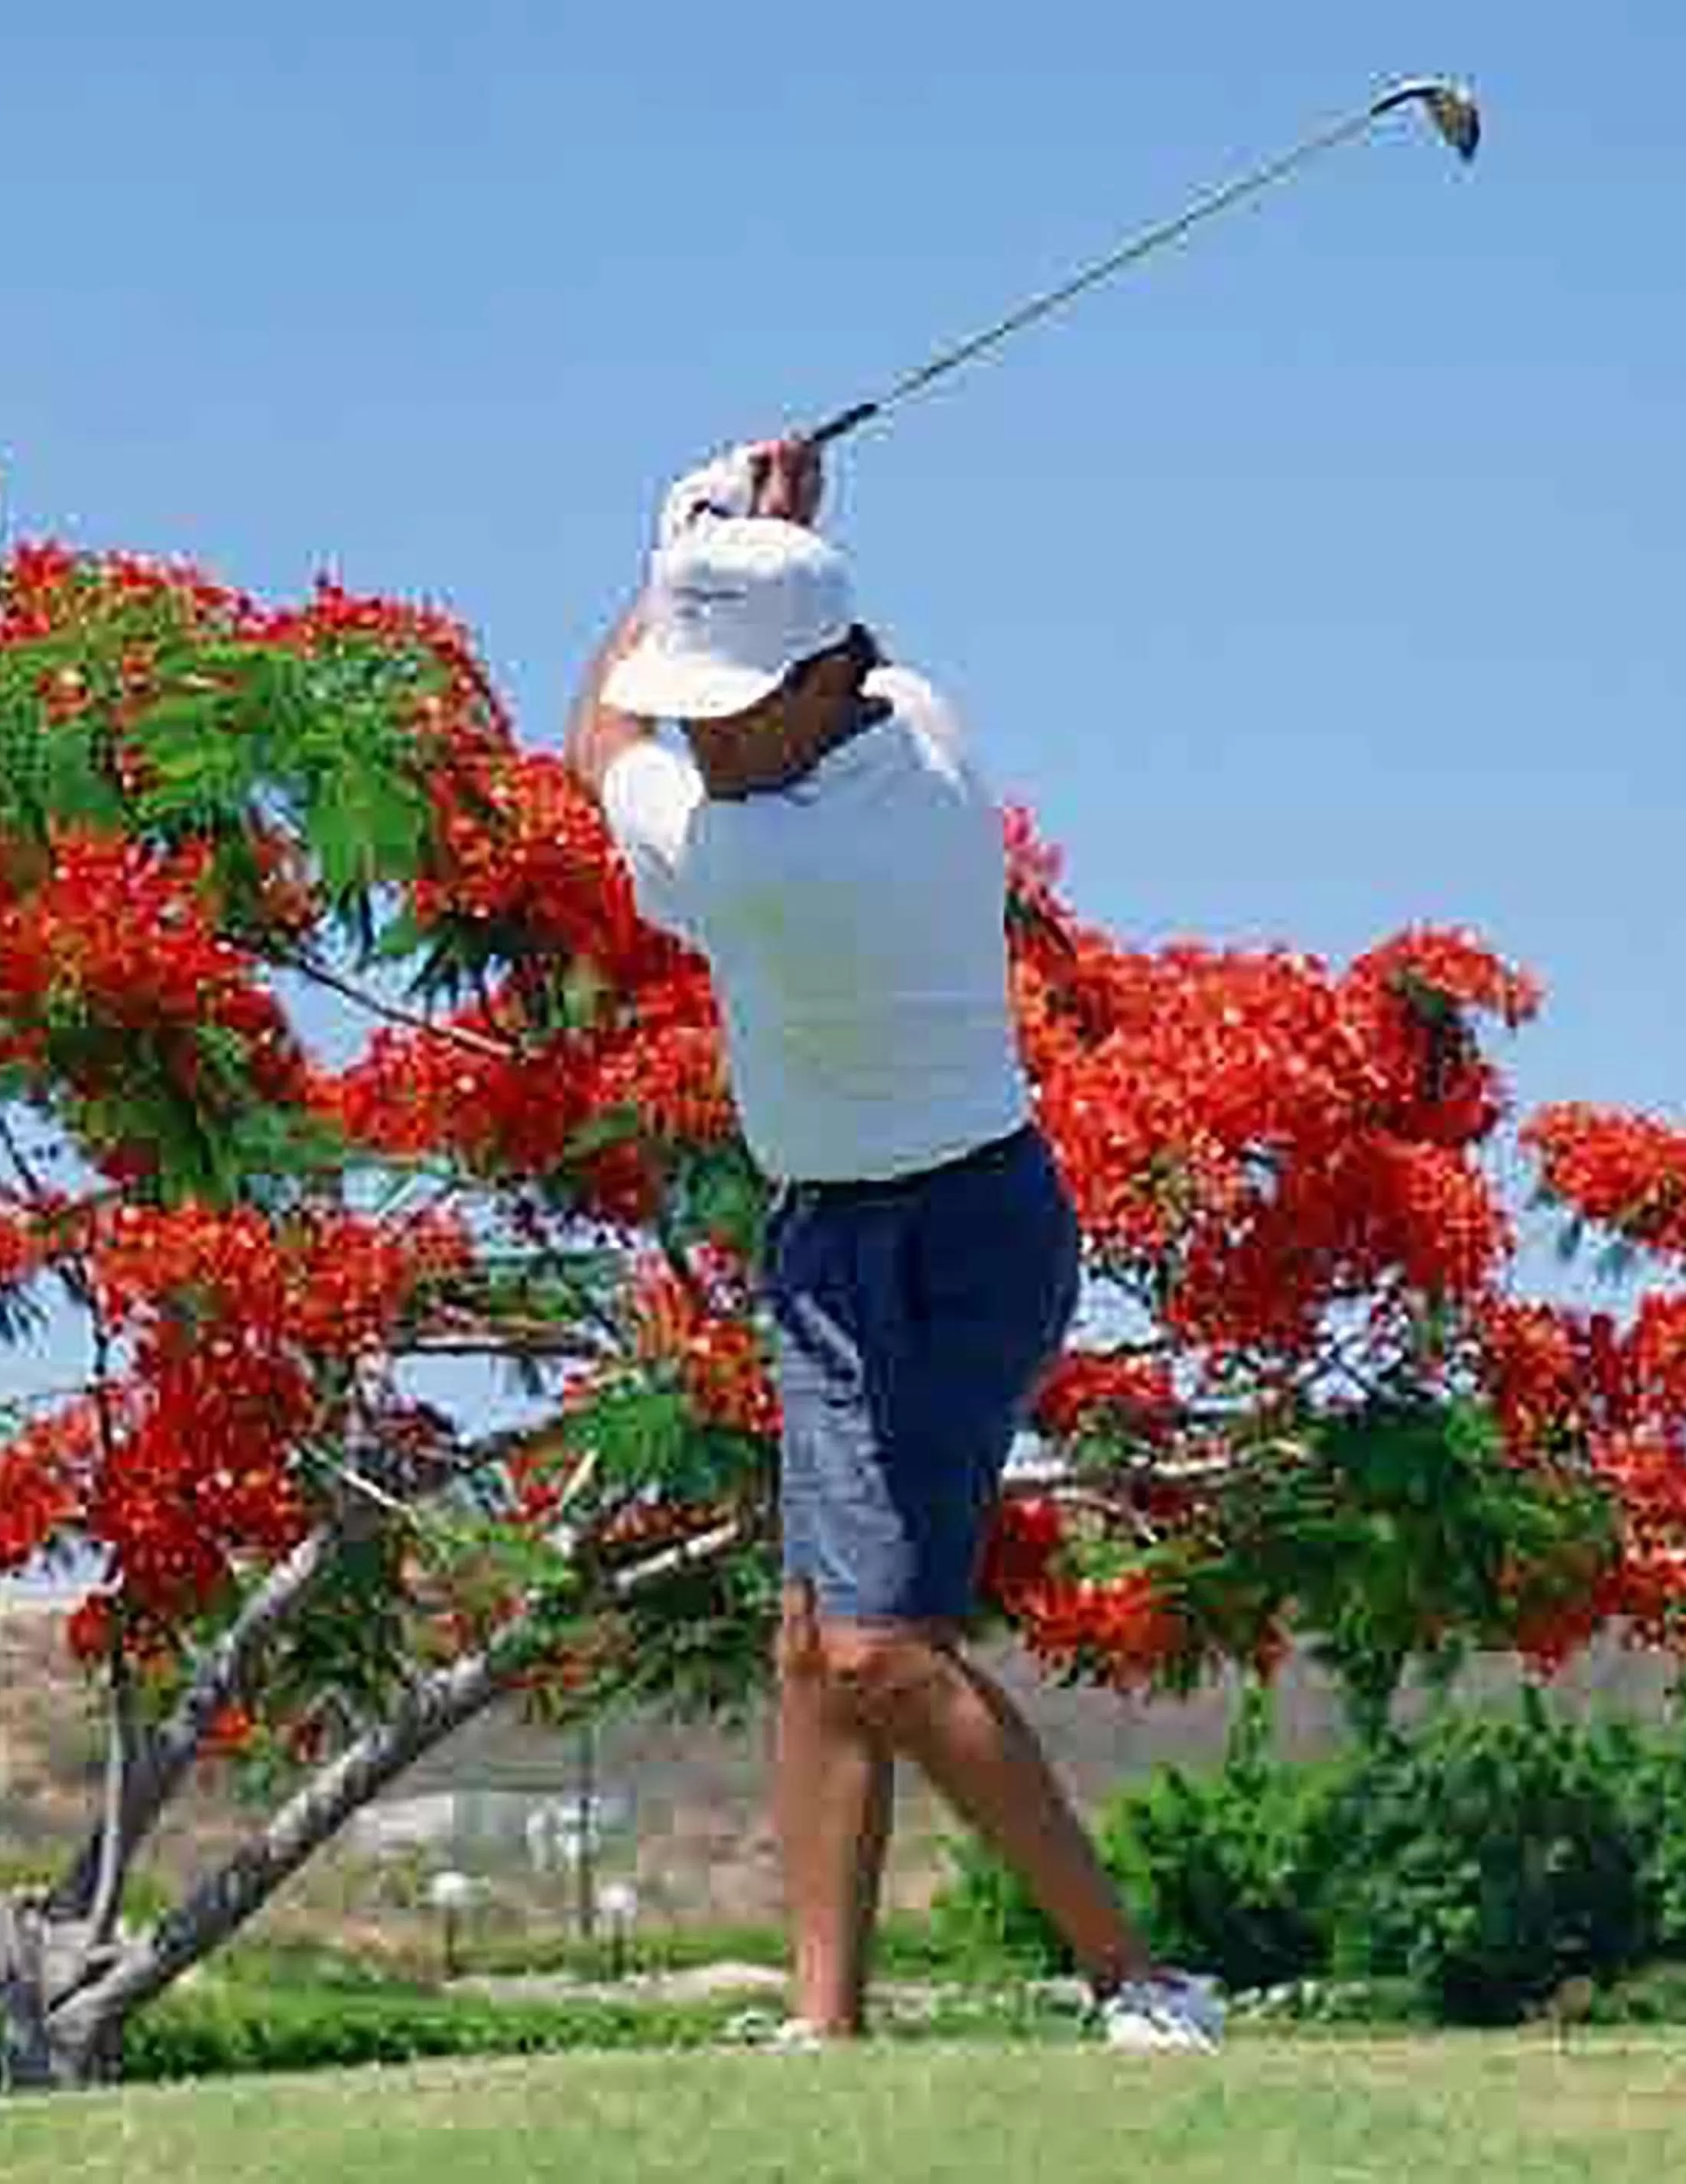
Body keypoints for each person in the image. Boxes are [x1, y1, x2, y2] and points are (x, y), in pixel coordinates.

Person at [564, 436, 1223, 2051]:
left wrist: (677, 534)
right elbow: (753, 661)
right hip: (854, 1236)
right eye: (696, 701)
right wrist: (743, 547)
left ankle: (1144, 1985)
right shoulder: (912, 724)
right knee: (811, 1637)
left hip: (950, 1245)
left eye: (728, 704)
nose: (703, 735)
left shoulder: (757, 860)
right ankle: (826, 2030)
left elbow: (590, 731)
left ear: (820, 678)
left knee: (875, 1647)